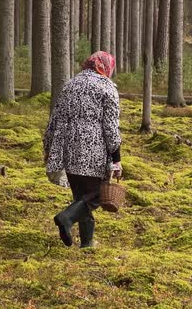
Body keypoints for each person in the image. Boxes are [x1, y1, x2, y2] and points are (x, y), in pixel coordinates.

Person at [43, 51, 122, 248]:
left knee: (81, 197)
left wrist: (48, 147)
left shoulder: (70, 84)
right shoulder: (106, 87)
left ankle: (87, 243)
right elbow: (111, 127)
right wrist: (116, 158)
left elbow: (54, 120)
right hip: (92, 150)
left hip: (67, 148)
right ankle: (66, 218)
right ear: (106, 67)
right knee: (96, 195)